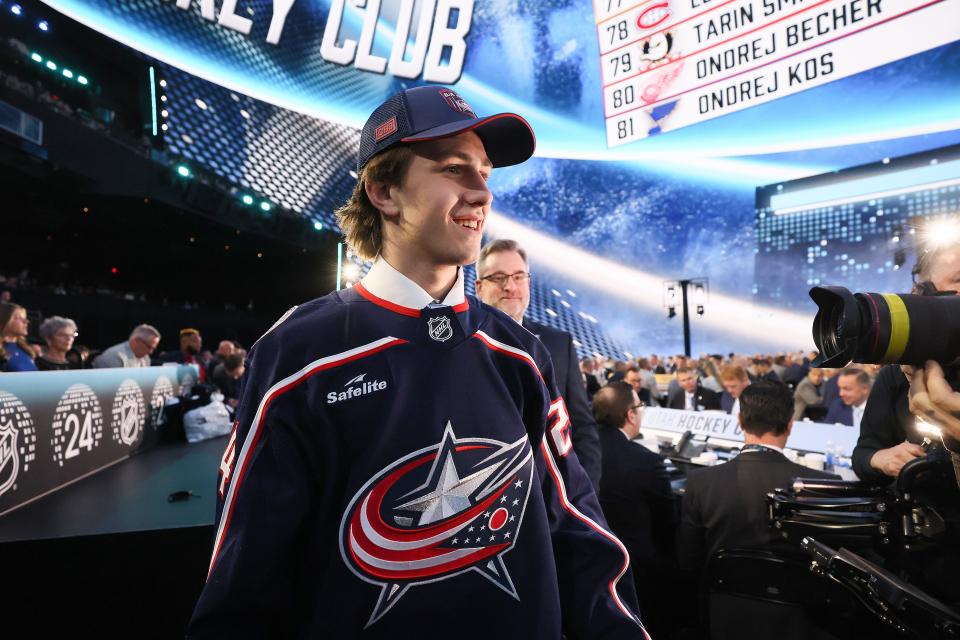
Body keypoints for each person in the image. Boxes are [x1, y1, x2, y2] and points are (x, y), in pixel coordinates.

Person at [189, 86, 647, 639]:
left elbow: (577, 529)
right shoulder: (298, 354)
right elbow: (244, 579)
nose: (482, 193)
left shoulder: (520, 355)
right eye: (456, 169)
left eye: (485, 173)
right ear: (383, 190)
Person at [474, 238, 603, 491]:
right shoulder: (463, 347)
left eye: (519, 276)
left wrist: (586, 493)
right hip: (489, 500)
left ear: (529, 282)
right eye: (498, 278)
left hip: (553, 497)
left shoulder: (559, 343)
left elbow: (581, 425)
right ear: (479, 288)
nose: (510, 286)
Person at [678, 381, 839, 573]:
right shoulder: (824, 486)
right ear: (790, 425)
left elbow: (688, 562)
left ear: (739, 421)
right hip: (797, 598)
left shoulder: (701, 482)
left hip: (721, 597)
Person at [592, 381, 675, 639]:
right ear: (630, 414)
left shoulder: (578, 450)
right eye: (639, 406)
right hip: (636, 572)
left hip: (590, 563)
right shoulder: (646, 461)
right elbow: (667, 526)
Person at [93, 324, 161, 368]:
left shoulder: (145, 358)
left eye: (153, 349)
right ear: (136, 341)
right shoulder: (115, 356)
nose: (151, 352)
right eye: (149, 347)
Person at [0, 302, 37, 372]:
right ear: (4, 320)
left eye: (25, 317)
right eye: (18, 317)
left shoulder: (26, 349)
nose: (26, 321)